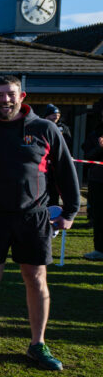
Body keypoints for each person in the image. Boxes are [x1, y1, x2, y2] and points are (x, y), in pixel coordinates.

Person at [0, 75, 79, 371]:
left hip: (34, 216)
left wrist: (70, 212)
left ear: (22, 96)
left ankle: (38, 344)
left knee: (36, 278)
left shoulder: (44, 128)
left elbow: (65, 170)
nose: (5, 100)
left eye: (10, 94)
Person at [82, 97, 103, 261]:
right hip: (98, 181)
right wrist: (100, 148)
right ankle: (99, 249)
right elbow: (87, 156)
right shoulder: (95, 133)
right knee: (99, 216)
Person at [42, 103, 74, 207]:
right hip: (43, 164)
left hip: (57, 164)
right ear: (47, 115)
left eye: (58, 115)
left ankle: (54, 208)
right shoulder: (40, 126)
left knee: (55, 187)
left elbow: (68, 144)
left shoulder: (63, 128)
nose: (56, 117)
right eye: (53, 114)